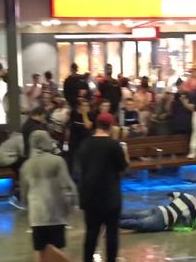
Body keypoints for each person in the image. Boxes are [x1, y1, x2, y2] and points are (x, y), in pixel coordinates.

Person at [76, 113, 129, 262]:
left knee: (91, 233)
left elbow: (81, 165)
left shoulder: (85, 143)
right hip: (110, 196)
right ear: (111, 126)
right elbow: (123, 167)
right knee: (112, 234)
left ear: (97, 124)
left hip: (90, 195)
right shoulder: (114, 145)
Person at [20, 130, 77, 262]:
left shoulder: (26, 165)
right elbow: (67, 186)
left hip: (36, 215)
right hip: (56, 213)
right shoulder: (57, 161)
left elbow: (24, 193)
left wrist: (28, 208)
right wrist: (71, 205)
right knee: (57, 250)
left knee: (42, 252)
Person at [120, 188, 196, 232]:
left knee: (135, 215)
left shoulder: (186, 195)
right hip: (163, 220)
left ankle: (110, 216)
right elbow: (188, 226)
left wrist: (174, 204)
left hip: (160, 209)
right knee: (139, 224)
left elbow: (170, 194)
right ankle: (112, 223)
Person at [68, 99, 94, 176]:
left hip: (85, 143)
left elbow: (88, 126)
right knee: (72, 162)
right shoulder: (74, 113)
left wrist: (84, 114)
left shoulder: (91, 115)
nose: (85, 107)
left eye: (87, 106)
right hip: (73, 142)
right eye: (83, 106)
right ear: (79, 107)